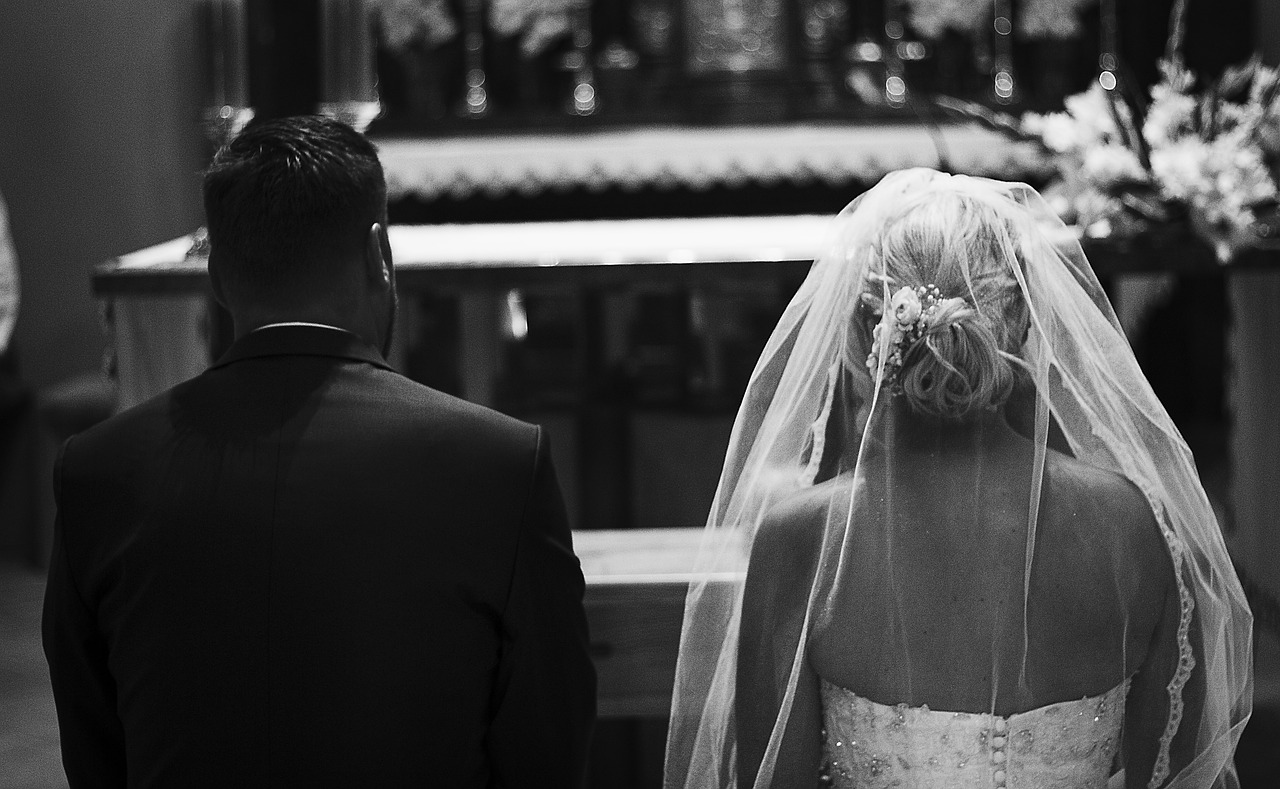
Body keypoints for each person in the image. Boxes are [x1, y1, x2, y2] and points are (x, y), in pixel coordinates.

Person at [43, 116, 596, 787]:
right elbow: (547, 750)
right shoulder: (502, 464)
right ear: (378, 253)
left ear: (216, 274)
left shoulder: (98, 471)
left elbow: (95, 755)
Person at [664, 169, 1252, 788]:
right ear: (1024, 323)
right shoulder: (1134, 526)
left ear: (860, 333)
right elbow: (1184, 771)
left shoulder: (801, 543)